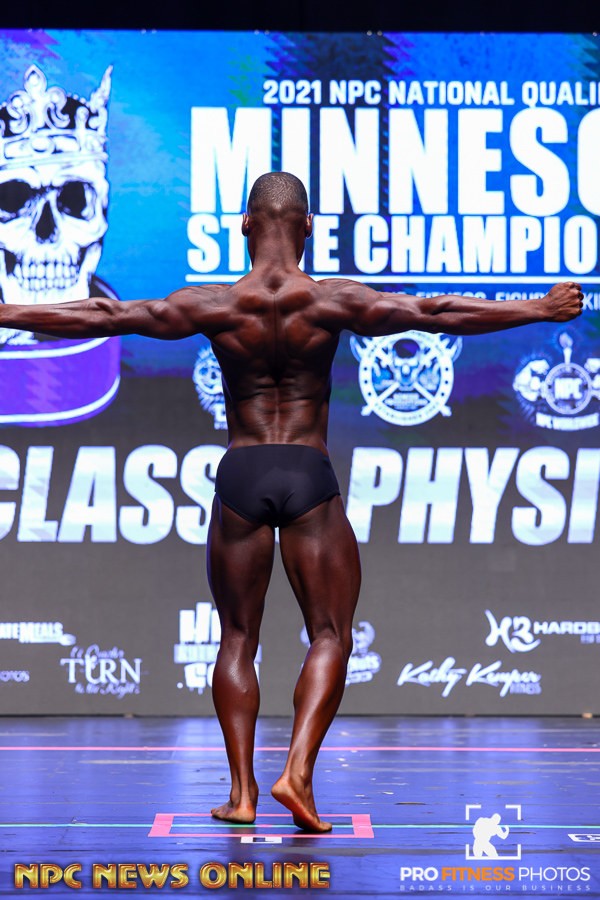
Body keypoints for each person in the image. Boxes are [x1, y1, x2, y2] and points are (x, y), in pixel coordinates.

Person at [0, 172, 583, 832]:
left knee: (237, 637)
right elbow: (435, 312)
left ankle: (242, 795)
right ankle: (297, 773)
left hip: (242, 472)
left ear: (245, 226)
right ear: (308, 228)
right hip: (308, 471)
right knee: (330, 633)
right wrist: (537, 308)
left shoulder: (214, 304)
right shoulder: (331, 299)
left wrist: (8, 313)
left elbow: (108, 316)